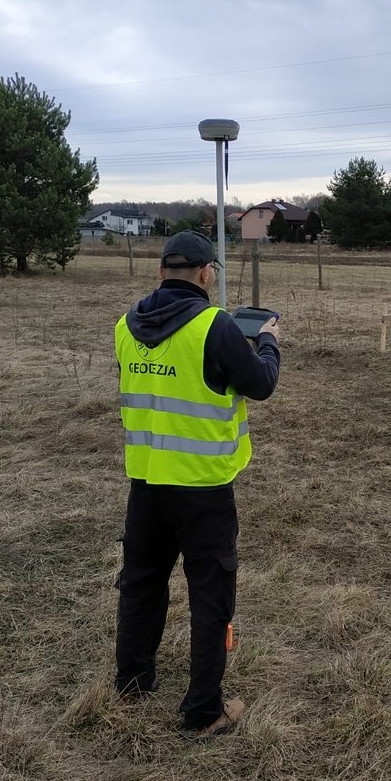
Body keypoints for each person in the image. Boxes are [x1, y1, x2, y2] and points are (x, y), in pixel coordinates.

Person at [113, 230, 281, 739]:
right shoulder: (217, 326)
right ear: (207, 273)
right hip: (203, 492)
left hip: (145, 485)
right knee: (210, 597)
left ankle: (133, 681)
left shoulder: (125, 325)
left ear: (162, 271)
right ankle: (204, 710)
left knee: (140, 583)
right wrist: (269, 340)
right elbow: (262, 383)